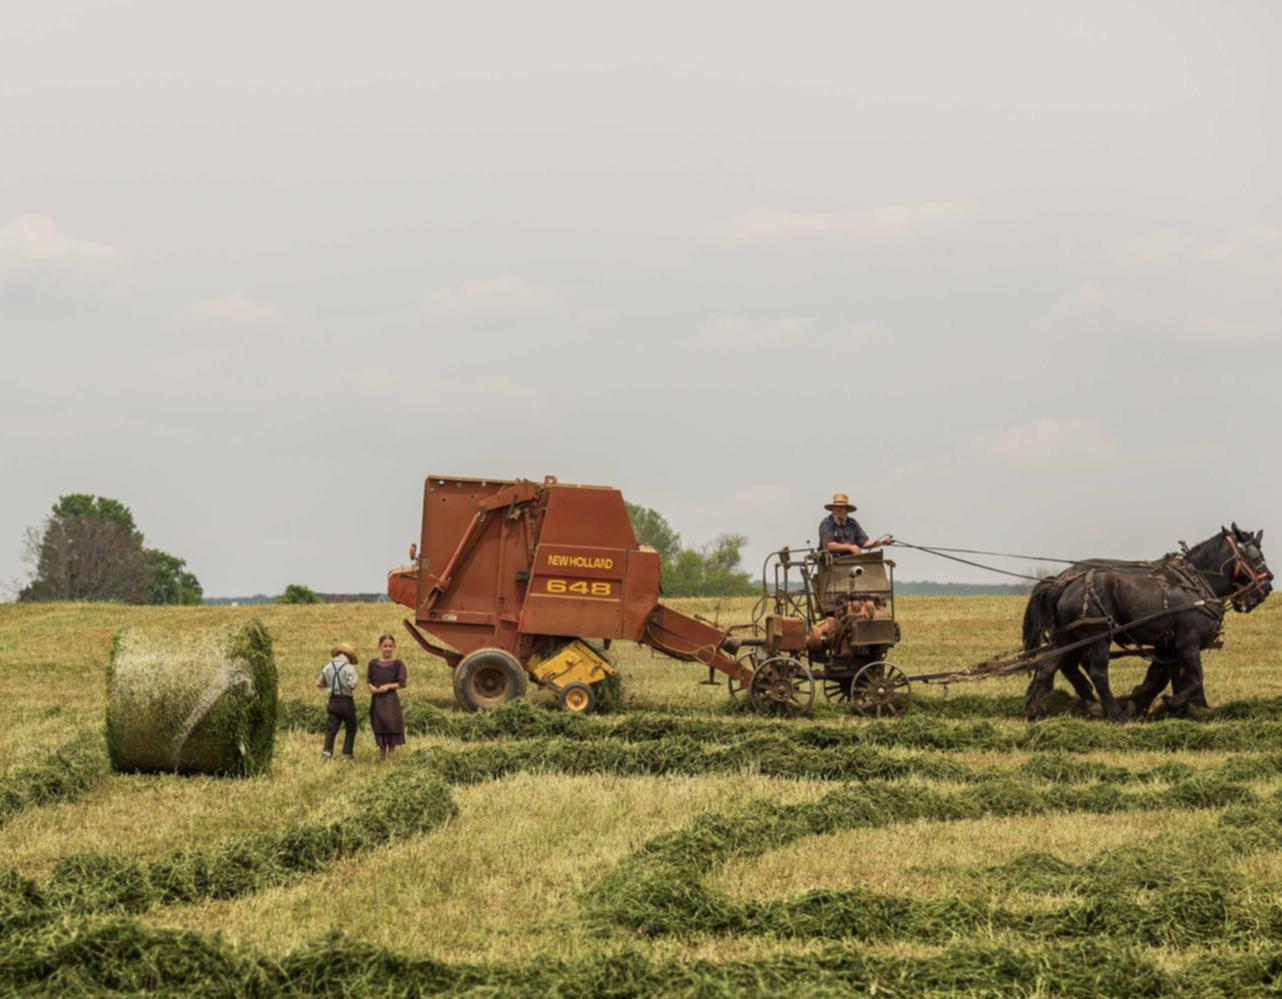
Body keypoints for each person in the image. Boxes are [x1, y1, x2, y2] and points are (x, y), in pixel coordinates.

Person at [367, 632, 407, 759]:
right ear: (380, 647)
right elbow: (369, 680)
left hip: (390, 701)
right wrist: (371, 688)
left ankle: (391, 754)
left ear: (394, 647)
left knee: (391, 724)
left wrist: (388, 686)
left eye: (390, 646)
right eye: (385, 646)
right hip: (377, 701)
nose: (388, 649)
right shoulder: (373, 663)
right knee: (379, 725)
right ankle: (381, 755)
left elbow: (402, 683)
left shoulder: (398, 664)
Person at [317, 643, 359, 762]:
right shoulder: (349, 668)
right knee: (351, 727)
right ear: (348, 656)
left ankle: (327, 752)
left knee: (331, 728)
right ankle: (347, 753)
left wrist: (330, 685)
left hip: (333, 700)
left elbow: (319, 683)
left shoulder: (327, 667)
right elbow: (352, 685)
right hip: (346, 701)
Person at [818, 492, 893, 555]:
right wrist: (850, 547)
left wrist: (883, 542)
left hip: (852, 561)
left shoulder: (852, 523)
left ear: (846, 510)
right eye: (836, 507)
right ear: (832, 510)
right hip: (832, 564)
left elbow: (864, 543)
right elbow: (829, 546)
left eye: (841, 508)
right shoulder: (827, 523)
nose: (838, 510)